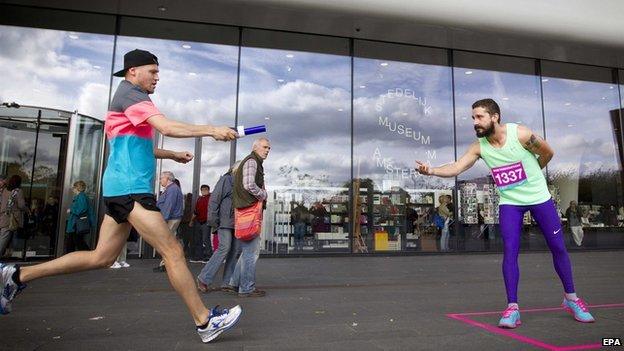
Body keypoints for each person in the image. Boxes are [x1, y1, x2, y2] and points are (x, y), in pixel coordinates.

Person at [0, 49, 241, 343]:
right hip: (131, 190)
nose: (157, 77)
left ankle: (16, 276)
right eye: (152, 72)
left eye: (158, 72)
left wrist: (172, 155)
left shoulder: (127, 99)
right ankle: (205, 321)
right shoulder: (132, 96)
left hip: (119, 189)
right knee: (173, 251)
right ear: (133, 72)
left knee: (101, 257)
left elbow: (135, 146)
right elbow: (166, 126)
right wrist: (211, 129)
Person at [415, 98, 594, 328]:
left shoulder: (519, 134)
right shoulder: (479, 147)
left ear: (495, 117)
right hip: (510, 203)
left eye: (479, 117)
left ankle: (572, 299)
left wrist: (532, 173)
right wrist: (430, 170)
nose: (475, 122)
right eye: (473, 118)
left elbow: (548, 153)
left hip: (540, 199)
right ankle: (512, 308)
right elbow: (457, 167)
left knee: (558, 247)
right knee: (510, 251)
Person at [228, 138, 271, 298]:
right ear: (255, 147)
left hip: (245, 211)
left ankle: (234, 283)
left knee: (247, 250)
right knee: (251, 253)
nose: (267, 150)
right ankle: (246, 288)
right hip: (249, 212)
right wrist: (263, 195)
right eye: (265, 147)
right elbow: (249, 184)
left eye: (269, 148)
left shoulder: (254, 161)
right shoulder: (252, 161)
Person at [197, 162, 240, 293]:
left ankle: (227, 282)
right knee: (224, 248)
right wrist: (213, 220)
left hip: (237, 222)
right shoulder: (226, 179)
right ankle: (203, 278)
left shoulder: (241, 184)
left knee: (235, 251)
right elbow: (214, 199)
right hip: (224, 221)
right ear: (236, 169)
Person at [153, 171, 184, 272]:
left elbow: (168, 206)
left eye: (161, 178)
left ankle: (165, 265)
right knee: (170, 242)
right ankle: (169, 263)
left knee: (167, 243)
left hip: (170, 219)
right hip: (172, 218)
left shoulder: (172, 190)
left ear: (168, 179)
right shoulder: (172, 189)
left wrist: (162, 220)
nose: (160, 181)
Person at [0, 175, 27, 258]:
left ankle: (8, 253)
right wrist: (27, 208)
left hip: (3, 216)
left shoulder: (5, 190)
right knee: (5, 237)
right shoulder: (18, 191)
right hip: (12, 218)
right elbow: (21, 205)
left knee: (6, 235)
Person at [65, 181, 96, 253]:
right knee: (72, 242)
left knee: (78, 242)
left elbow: (82, 209)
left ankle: (89, 257)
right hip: (76, 224)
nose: (73, 189)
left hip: (76, 224)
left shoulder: (81, 196)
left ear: (77, 188)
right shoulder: (81, 196)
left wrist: (71, 210)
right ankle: (70, 259)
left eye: (74, 187)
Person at [189, 185, 212, 262]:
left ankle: (208, 256)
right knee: (198, 240)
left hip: (207, 222)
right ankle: (199, 256)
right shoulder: (199, 199)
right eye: (202, 189)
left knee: (206, 239)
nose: (204, 191)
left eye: (205, 189)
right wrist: (191, 221)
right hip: (198, 221)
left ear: (208, 190)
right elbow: (196, 211)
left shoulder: (211, 199)